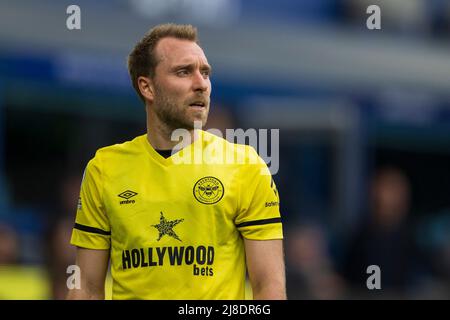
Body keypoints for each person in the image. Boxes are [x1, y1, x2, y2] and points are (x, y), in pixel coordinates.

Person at [67, 23, 285, 300]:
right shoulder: (104, 168)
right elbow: (85, 287)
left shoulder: (246, 167)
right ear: (147, 87)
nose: (201, 84)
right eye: (184, 72)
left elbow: (269, 287)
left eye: (205, 73)